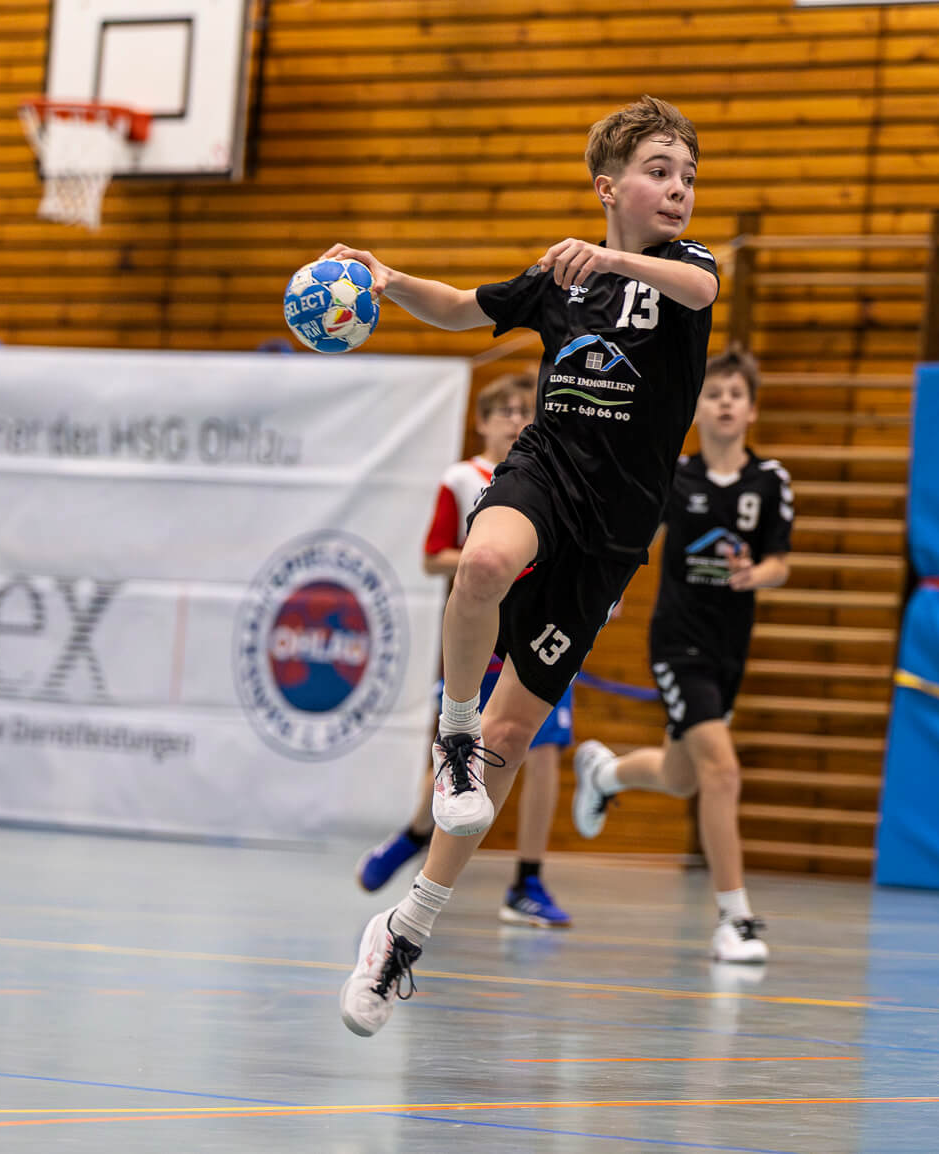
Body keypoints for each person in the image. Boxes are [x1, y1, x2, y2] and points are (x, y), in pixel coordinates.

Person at [325, 94, 718, 1038]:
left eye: (687, 176)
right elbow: (462, 310)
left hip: (614, 532)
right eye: (658, 171)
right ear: (607, 186)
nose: (677, 189)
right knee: (484, 563)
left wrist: (613, 260)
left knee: (514, 739)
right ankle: (452, 732)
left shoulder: (685, 269)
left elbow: (699, 292)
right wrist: (386, 279)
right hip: (546, 471)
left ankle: (405, 929)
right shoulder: (556, 280)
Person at [570, 345, 792, 964]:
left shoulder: (770, 481)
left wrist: (756, 575)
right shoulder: (675, 474)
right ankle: (735, 920)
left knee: (681, 775)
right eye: (713, 394)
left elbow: (780, 562)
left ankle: (605, 774)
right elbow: (637, 540)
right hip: (676, 643)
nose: (724, 404)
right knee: (722, 771)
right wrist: (608, 592)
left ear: (751, 410)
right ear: (697, 408)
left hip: (729, 649)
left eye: (736, 395)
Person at [353, 372, 574, 929]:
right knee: (459, 744)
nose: (514, 420)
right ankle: (415, 833)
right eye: (503, 411)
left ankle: (528, 879)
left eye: (524, 410)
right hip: (481, 635)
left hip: (541, 629)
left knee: (544, 751)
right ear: (481, 422)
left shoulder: (559, 480)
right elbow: (433, 557)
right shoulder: (461, 479)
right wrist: (496, 558)